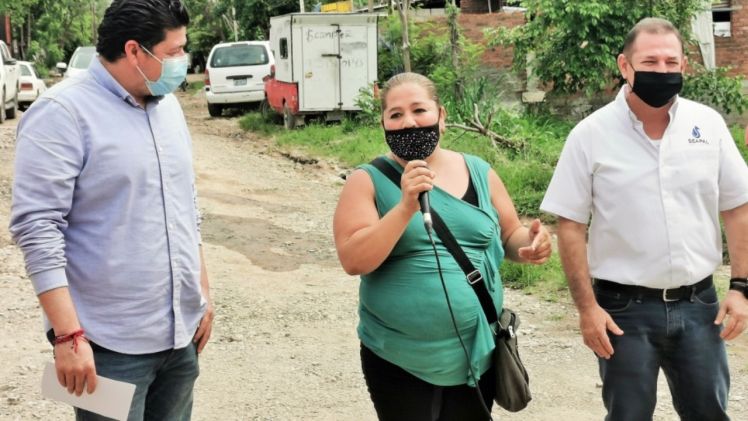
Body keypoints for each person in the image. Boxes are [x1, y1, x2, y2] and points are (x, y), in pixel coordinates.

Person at [9, 1, 214, 420]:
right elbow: (38, 228)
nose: (183, 60)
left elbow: (186, 204)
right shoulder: (62, 113)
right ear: (135, 50)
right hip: (106, 347)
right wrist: (67, 335)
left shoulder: (168, 107)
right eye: (174, 51)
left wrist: (202, 294)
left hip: (180, 338)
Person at [540, 17, 748, 421]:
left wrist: (740, 287)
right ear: (625, 65)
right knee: (628, 415)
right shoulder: (590, 135)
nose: (662, 71)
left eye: (671, 62)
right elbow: (571, 226)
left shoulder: (708, 125)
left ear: (684, 65)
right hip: (623, 311)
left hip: (699, 305)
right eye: (650, 62)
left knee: (709, 412)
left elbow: (737, 206)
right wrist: (586, 309)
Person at [333, 72, 552, 420]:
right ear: (384, 124)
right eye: (395, 114)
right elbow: (354, 259)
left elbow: (510, 233)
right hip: (399, 359)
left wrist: (531, 243)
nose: (409, 122)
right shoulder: (366, 181)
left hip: (477, 355)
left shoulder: (479, 171)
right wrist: (405, 207)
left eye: (419, 110)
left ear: (441, 116)